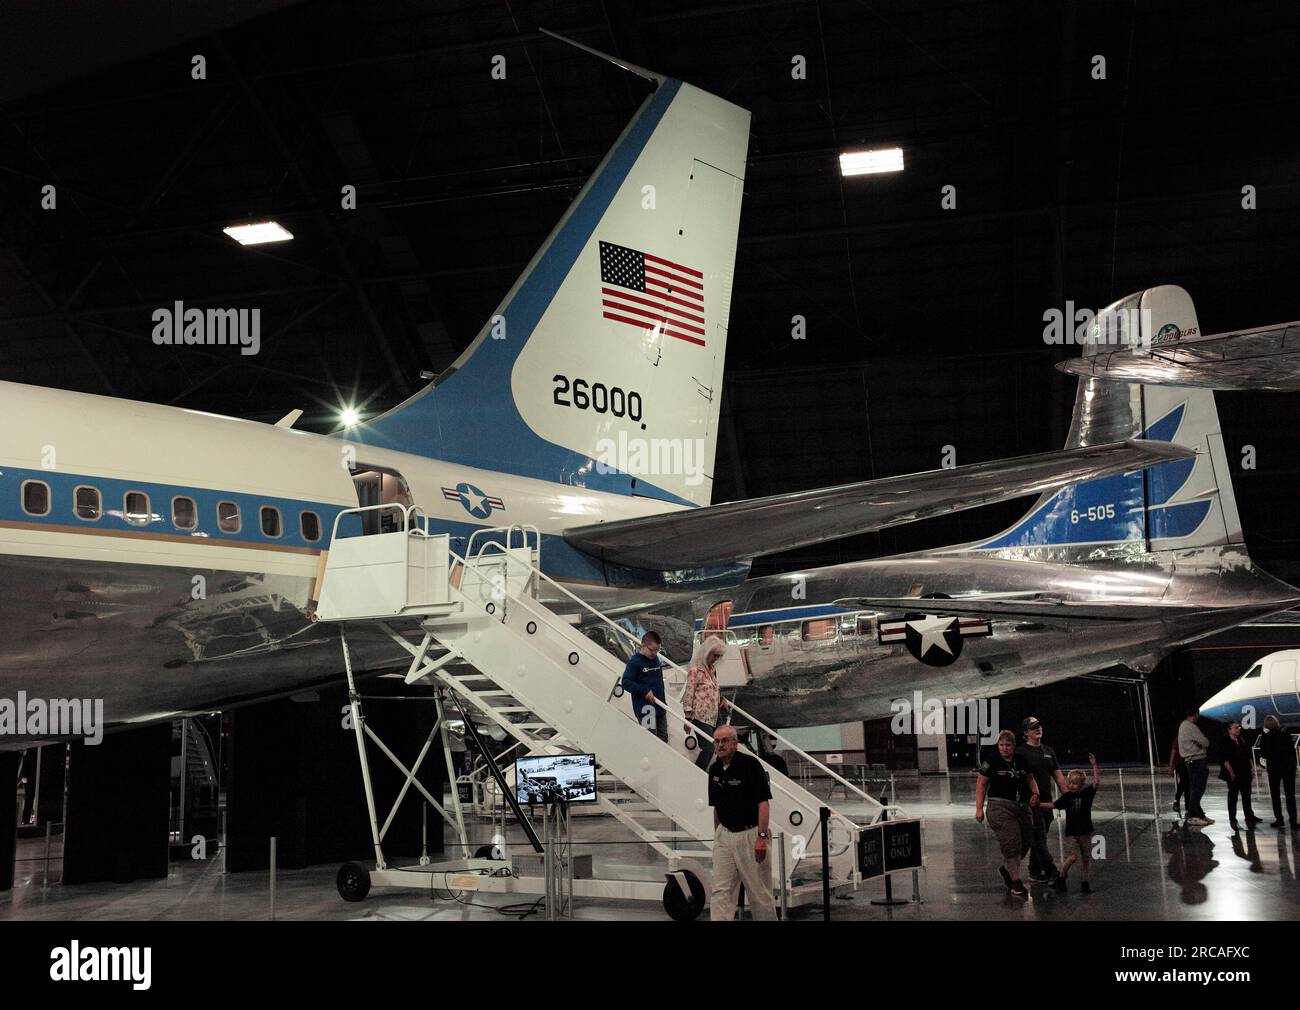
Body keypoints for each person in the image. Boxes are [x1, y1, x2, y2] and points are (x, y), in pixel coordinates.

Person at [707, 725, 776, 920]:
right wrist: (717, 836)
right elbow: (716, 807)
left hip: (751, 835)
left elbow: (763, 803)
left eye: (725, 741)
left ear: (735, 744)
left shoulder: (750, 765)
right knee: (721, 892)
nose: (720, 745)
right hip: (724, 837)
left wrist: (761, 837)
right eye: (717, 741)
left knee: (760, 894)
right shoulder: (714, 770)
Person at [975, 729, 1039, 898]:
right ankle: (1016, 883)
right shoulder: (991, 761)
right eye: (1001, 745)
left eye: (1008, 745)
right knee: (1012, 842)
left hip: (1022, 806)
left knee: (1026, 842)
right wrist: (979, 808)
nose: (1004, 748)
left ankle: (1007, 869)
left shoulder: (1021, 760)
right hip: (999, 806)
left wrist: (1035, 793)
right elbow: (981, 784)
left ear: (1013, 746)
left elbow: (1030, 778)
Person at [1016, 716, 1068, 883]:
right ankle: (1051, 870)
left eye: (1039, 726)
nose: (1038, 729)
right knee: (1039, 838)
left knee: (1039, 838)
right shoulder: (1021, 752)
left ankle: (1034, 870)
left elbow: (1057, 774)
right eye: (1033, 727)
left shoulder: (1048, 751)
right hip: (1029, 804)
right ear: (1026, 732)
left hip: (1047, 803)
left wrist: (1069, 797)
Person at [1042, 754, 1100, 893]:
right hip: (1072, 832)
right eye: (1070, 783)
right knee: (1073, 857)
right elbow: (1053, 805)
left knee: (1086, 858)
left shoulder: (1087, 794)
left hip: (1085, 831)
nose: (1070, 786)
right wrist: (1038, 804)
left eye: (1074, 783)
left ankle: (1085, 882)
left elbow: (1096, 782)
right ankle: (1061, 877)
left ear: (1081, 785)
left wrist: (1094, 765)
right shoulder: (1067, 797)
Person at [682, 637, 727, 769]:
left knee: (720, 747)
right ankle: (697, 773)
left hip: (713, 716)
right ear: (707, 652)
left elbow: (713, 689)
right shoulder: (695, 670)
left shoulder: (712, 670)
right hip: (700, 716)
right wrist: (687, 718)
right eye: (715, 655)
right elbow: (689, 693)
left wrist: (722, 699)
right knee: (708, 748)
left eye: (719, 656)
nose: (716, 659)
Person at [621, 630, 667, 742]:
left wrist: (664, 702)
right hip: (646, 709)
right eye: (652, 650)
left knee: (664, 740)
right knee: (651, 741)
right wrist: (644, 691)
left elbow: (659, 682)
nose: (655, 653)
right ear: (643, 646)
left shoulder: (655, 659)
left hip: (660, 707)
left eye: (658, 650)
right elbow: (626, 682)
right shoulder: (635, 663)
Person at [1218, 721, 1261, 831]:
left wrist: (1251, 768)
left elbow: (1248, 756)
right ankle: (1232, 817)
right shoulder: (1225, 741)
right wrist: (1231, 772)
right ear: (1229, 729)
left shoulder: (1241, 740)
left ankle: (1249, 815)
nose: (1238, 729)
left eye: (1239, 727)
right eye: (1236, 727)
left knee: (1247, 794)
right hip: (1234, 773)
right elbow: (1225, 759)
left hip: (1245, 772)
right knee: (1233, 795)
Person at [1258, 714, 1298, 829]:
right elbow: (1291, 751)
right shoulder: (1285, 734)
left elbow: (1264, 754)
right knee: (1290, 795)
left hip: (1274, 768)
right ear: (1277, 723)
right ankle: (1293, 821)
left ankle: (1279, 819)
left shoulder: (1265, 737)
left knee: (1275, 795)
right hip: (1288, 768)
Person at [1178, 709, 1214, 826]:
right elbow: (1205, 742)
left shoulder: (1184, 725)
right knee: (1197, 789)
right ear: (1196, 714)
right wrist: (1202, 743)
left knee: (1195, 789)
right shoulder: (1190, 726)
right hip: (1196, 761)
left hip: (1192, 761)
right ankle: (1193, 815)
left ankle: (1199, 814)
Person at [1169, 736, 1189, 816]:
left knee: (1186, 784)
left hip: (1187, 763)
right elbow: (1173, 752)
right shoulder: (1177, 739)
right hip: (1180, 764)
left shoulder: (1188, 738)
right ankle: (1179, 802)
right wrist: (1171, 766)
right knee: (1185, 783)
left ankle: (1179, 802)